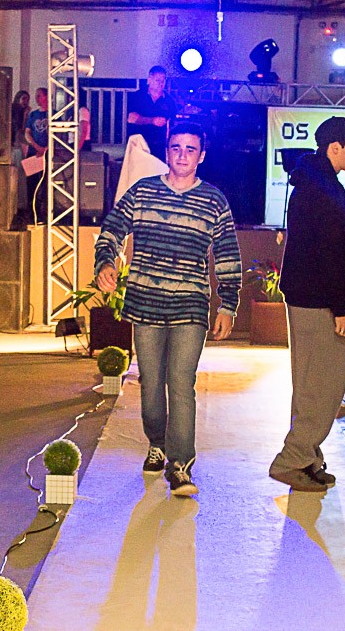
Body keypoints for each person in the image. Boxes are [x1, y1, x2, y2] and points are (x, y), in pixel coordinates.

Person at [94, 122, 241, 497]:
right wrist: (105, 262)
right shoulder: (143, 192)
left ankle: (180, 465)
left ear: (201, 156)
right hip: (145, 302)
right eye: (176, 147)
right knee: (150, 385)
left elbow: (227, 255)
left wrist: (228, 305)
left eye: (190, 149)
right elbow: (112, 229)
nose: (182, 155)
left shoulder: (214, 201)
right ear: (167, 151)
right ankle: (156, 442)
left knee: (181, 382)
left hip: (190, 305)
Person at [268, 117, 345, 493]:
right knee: (321, 387)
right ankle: (292, 460)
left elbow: (333, 251)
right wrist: (341, 307)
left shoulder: (317, 183)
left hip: (313, 296)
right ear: (334, 148)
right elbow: (327, 253)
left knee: (314, 385)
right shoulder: (323, 189)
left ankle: (307, 459)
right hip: (316, 301)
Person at [10, 87, 49, 230]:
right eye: (36, 96)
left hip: (47, 153)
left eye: (39, 96)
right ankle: (32, 212)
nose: (36, 98)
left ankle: (44, 212)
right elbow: (27, 132)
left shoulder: (53, 114)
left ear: (46, 97)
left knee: (46, 184)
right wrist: (36, 146)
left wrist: (46, 148)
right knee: (31, 183)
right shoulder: (33, 115)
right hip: (34, 152)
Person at [126, 66, 178, 160]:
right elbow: (131, 118)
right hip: (139, 143)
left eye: (163, 81)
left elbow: (173, 122)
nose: (160, 83)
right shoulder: (137, 96)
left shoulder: (170, 101)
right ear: (149, 80)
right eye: (157, 80)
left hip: (159, 146)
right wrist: (152, 121)